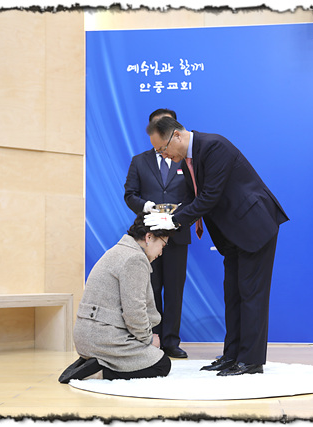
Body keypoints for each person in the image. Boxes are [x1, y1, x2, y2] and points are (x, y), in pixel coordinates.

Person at [144, 117, 289, 376]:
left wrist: (173, 221)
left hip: (254, 226)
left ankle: (251, 360)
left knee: (251, 294)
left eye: (163, 149)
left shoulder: (214, 147)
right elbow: (192, 199)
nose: (163, 155)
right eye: (158, 152)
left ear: (177, 136)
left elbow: (209, 196)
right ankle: (232, 355)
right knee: (232, 294)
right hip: (232, 233)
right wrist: (168, 216)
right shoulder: (186, 160)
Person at [58, 212, 174, 383]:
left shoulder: (119, 251)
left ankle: (93, 362)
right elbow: (134, 312)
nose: (161, 252)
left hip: (89, 336)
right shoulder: (135, 259)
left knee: (153, 356)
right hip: (102, 338)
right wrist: (148, 340)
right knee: (162, 364)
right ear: (149, 237)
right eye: (163, 245)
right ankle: (98, 371)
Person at [123, 108, 193, 359]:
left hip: (177, 234)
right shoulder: (139, 161)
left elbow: (195, 195)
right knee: (149, 289)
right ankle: (151, 340)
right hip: (148, 237)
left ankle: (171, 341)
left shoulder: (185, 160)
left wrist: (179, 215)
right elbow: (130, 194)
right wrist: (146, 207)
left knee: (175, 290)